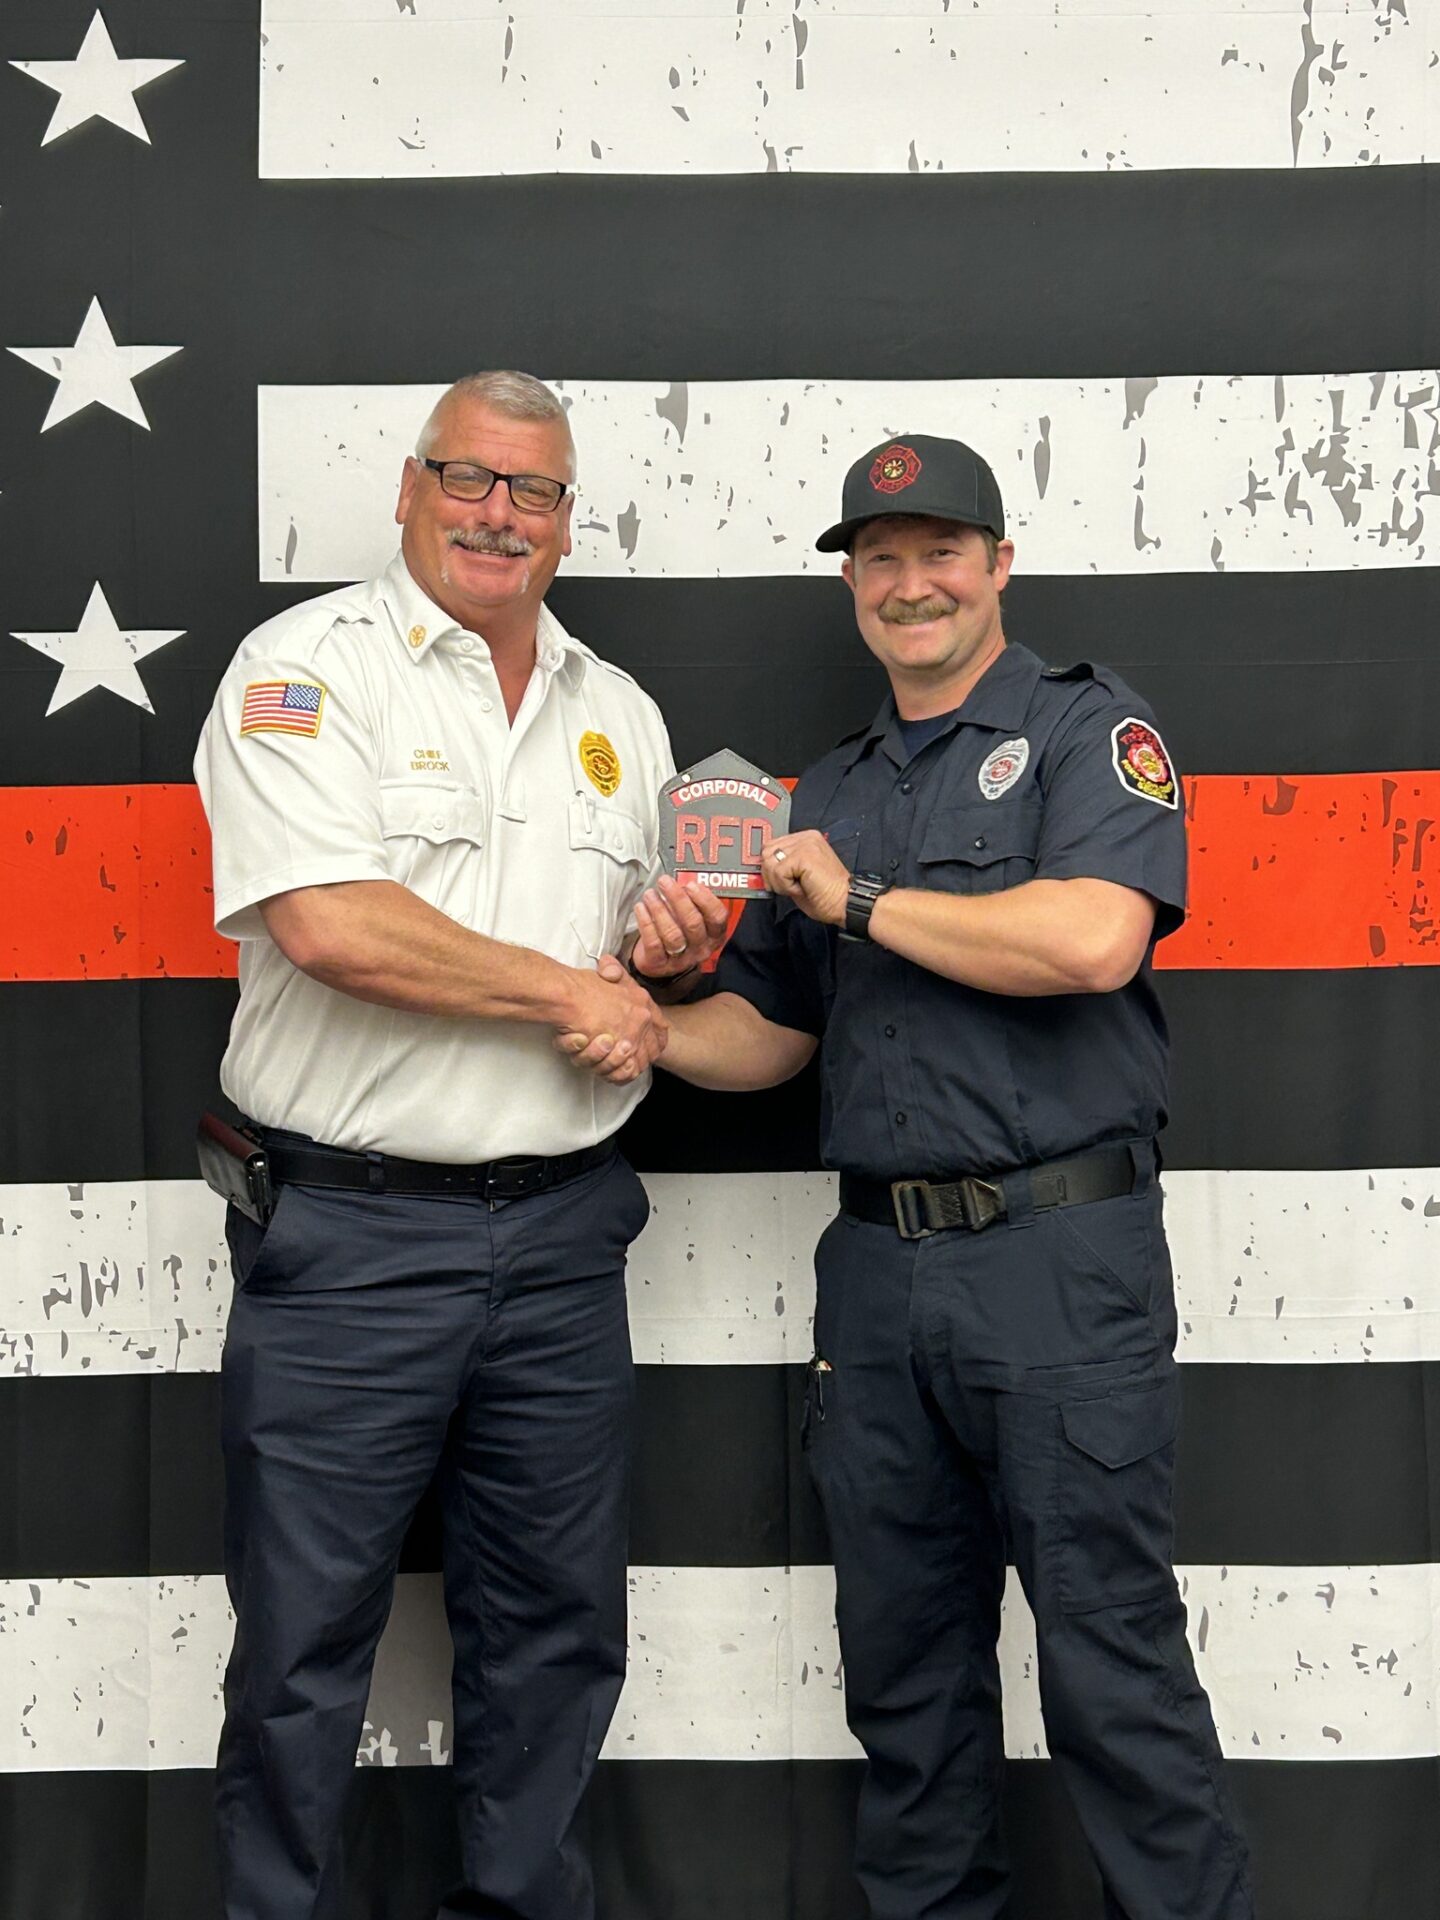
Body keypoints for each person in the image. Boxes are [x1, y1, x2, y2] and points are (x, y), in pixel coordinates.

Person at [565, 434, 1254, 1918]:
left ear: (1000, 566)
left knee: (1113, 1671)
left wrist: (863, 899)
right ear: (852, 587)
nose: (911, 583)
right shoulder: (830, 791)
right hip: (878, 1280)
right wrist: (650, 1015)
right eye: (880, 559)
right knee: (906, 1684)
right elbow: (773, 1037)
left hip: (1058, 1261)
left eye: (941, 552)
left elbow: (1095, 941)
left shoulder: (1085, 730)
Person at [194, 370, 727, 1920]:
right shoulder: (304, 670)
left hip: (563, 1240)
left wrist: (665, 953)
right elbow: (329, 921)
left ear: (568, 518)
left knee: (556, 1637)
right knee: (302, 1649)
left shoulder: (618, 712)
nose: (500, 514)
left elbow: (631, 965)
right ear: (412, 488)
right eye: (471, 479)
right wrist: (573, 992)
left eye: (534, 491)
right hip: (352, 1241)